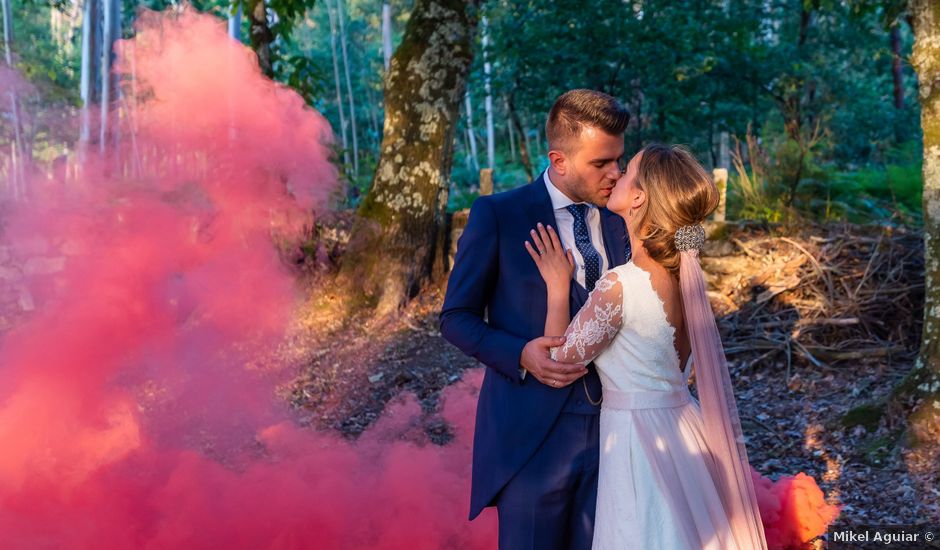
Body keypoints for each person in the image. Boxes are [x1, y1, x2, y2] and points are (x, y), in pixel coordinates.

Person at [525, 144, 768, 549]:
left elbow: (557, 364)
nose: (617, 174)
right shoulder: (684, 281)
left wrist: (556, 285)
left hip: (639, 443)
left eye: (629, 169)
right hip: (684, 430)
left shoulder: (622, 285)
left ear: (638, 198)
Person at [439, 89, 630, 549]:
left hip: (620, 433)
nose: (615, 173)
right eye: (601, 163)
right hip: (530, 438)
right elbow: (455, 317)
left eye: (619, 160)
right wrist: (519, 353)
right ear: (559, 160)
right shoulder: (499, 215)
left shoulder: (625, 217)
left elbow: (686, 229)